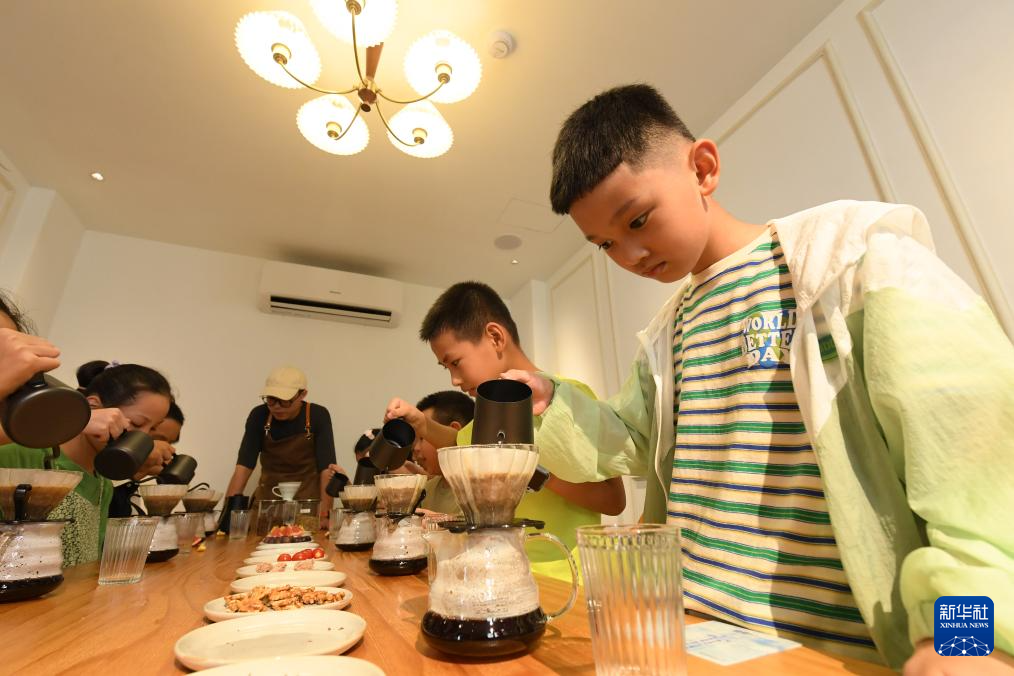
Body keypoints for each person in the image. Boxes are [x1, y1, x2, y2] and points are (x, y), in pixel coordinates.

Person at [509, 83, 1014, 671]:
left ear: (703, 169)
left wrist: (970, 644)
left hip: (831, 656)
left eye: (638, 220)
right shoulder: (665, 334)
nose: (629, 256)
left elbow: (977, 485)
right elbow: (627, 439)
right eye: (605, 245)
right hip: (685, 640)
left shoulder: (851, 263)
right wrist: (553, 400)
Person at [385, 282, 627, 573]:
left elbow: (614, 500)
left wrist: (531, 472)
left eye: (456, 363)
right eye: (446, 368)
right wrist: (422, 424)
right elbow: (460, 443)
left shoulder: (567, 398)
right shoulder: (488, 416)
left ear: (495, 337)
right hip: (503, 572)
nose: (454, 380)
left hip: (565, 575)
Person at [1, 360, 173, 565]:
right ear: (93, 406)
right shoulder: (21, 453)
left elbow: (93, 563)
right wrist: (74, 420)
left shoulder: (103, 483)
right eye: (137, 423)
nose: (144, 436)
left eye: (152, 429)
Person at [225, 366, 341, 528]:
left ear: (302, 394)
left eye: (285, 400)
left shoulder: (317, 415)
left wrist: (324, 515)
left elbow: (327, 470)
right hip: (267, 507)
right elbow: (243, 468)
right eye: (271, 399)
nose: (276, 406)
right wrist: (226, 518)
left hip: (307, 508)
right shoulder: (259, 415)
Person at [412, 390, 474, 515]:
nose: (416, 448)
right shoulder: (426, 489)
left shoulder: (479, 490)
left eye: (422, 438)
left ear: (453, 431)